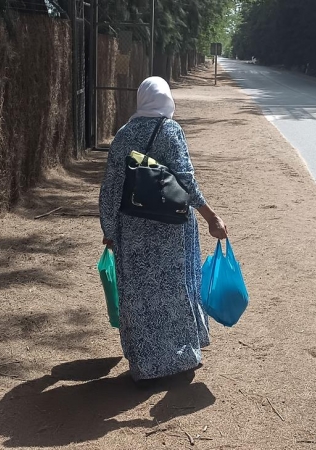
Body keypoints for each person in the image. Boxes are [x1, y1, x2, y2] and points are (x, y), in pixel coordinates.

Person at [99, 76, 228, 383]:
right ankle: (180, 357)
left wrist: (109, 229)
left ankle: (145, 365)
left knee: (140, 296)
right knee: (172, 292)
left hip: (132, 232)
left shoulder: (123, 134)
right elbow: (186, 182)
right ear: (167, 100)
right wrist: (211, 217)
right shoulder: (171, 131)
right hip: (171, 231)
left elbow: (110, 188)